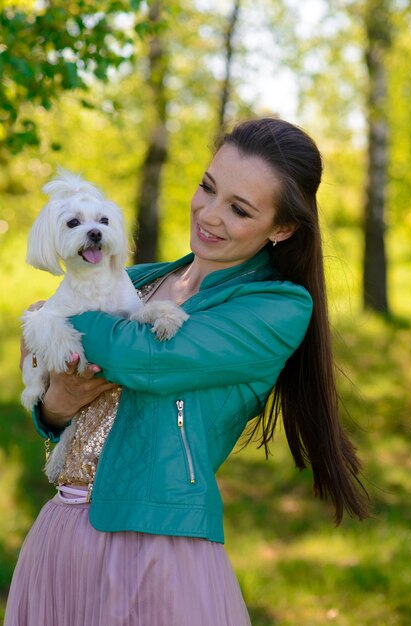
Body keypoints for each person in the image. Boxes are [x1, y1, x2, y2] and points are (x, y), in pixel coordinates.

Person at [5, 118, 369, 626]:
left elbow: (144, 359)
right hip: (62, 532)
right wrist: (53, 407)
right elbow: (57, 393)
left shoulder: (275, 307)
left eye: (239, 209)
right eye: (207, 187)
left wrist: (48, 315)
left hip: (154, 545)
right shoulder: (138, 279)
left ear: (282, 228)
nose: (210, 215)